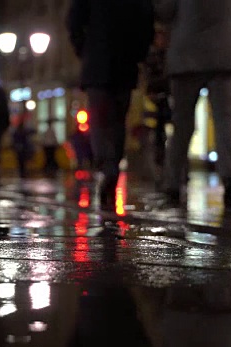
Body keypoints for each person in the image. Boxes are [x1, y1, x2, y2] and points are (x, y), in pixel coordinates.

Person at [158, 0, 231, 207]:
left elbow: (163, 11)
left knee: (182, 123)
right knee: (223, 119)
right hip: (224, 53)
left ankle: (173, 182)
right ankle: (229, 178)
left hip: (185, 54)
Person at [67, 0, 154, 209]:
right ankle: (112, 164)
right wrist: (138, 54)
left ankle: (107, 166)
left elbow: (73, 21)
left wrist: (84, 49)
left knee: (99, 121)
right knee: (117, 120)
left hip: (97, 64)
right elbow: (146, 22)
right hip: (125, 64)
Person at [144, 22, 172, 186]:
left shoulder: (169, 56)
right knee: (157, 138)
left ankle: (169, 168)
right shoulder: (153, 57)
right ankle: (160, 168)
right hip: (156, 105)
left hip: (167, 102)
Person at [11, 111, 35, 178]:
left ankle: (23, 172)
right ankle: (22, 172)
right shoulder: (19, 132)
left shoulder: (22, 131)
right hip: (21, 149)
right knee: (21, 161)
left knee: (22, 161)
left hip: (22, 149)